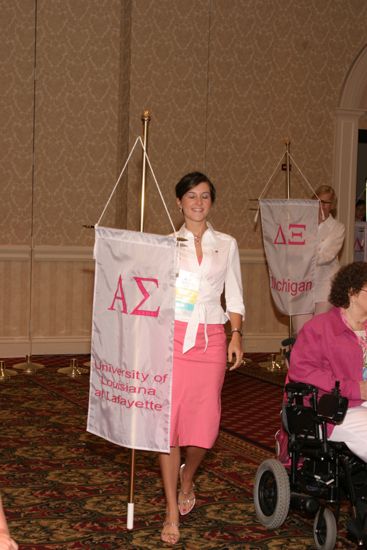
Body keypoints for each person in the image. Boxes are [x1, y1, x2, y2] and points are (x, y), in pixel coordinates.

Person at [159, 172, 245, 545]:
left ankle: (188, 475)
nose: (197, 202)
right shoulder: (164, 245)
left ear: (212, 202)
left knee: (205, 427)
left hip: (210, 337)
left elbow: (235, 296)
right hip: (171, 337)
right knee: (169, 426)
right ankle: (170, 511)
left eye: (205, 196)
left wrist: (236, 334)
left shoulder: (226, 244)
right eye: (190, 196)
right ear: (179, 202)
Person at [288, 261, 367, 462]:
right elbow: (302, 370)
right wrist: (354, 389)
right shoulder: (321, 328)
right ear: (352, 292)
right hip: (336, 409)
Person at [292, 185, 345, 335]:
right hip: (302, 283)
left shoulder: (338, 227)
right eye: (318, 201)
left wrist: (304, 254)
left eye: (326, 202)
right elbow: (293, 252)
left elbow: (328, 255)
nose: (321, 205)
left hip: (325, 286)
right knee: (301, 332)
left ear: (332, 205)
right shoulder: (300, 224)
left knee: (321, 331)